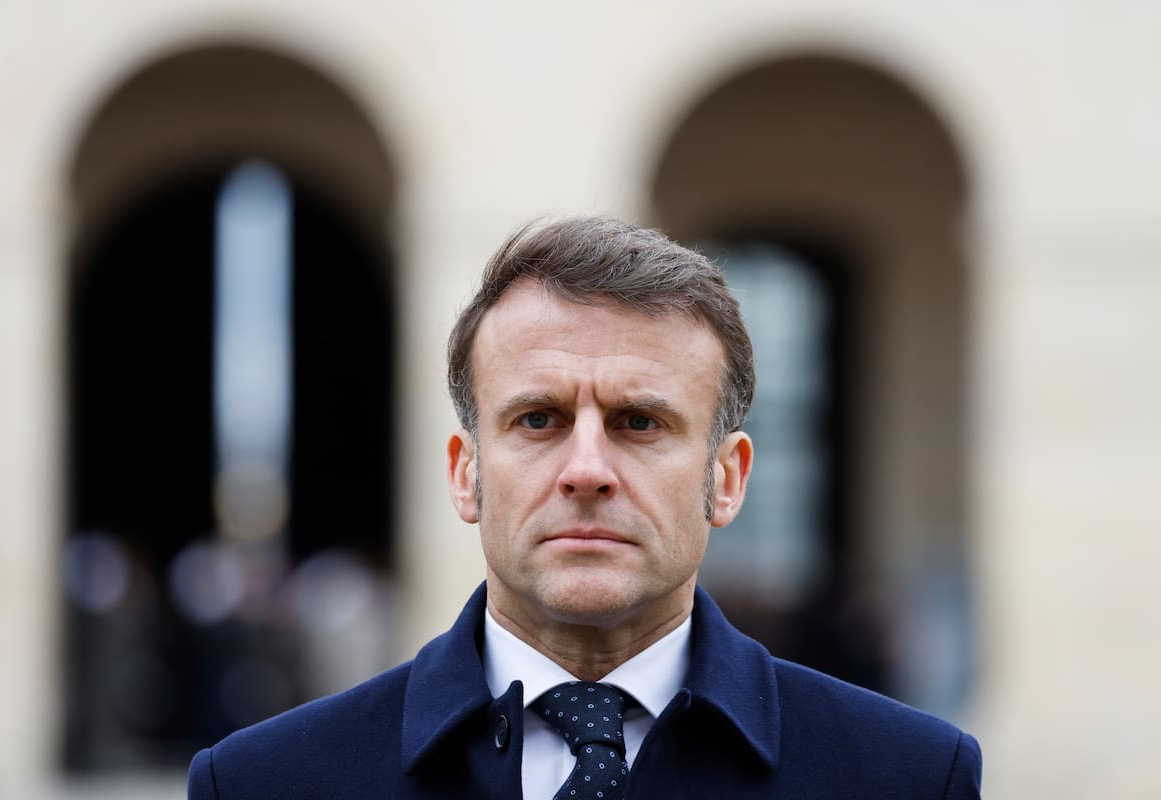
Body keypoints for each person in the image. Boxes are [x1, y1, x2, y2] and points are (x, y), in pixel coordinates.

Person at [188, 216, 982, 799]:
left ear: (727, 478)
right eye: (539, 420)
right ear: (466, 475)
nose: (587, 469)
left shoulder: (906, 778)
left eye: (641, 422)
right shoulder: (266, 785)